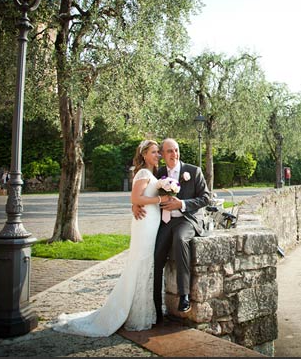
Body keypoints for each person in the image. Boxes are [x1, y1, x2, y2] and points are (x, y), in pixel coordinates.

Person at [51, 139, 162, 336]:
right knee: (140, 264)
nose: (157, 155)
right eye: (154, 152)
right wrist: (161, 199)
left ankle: (144, 312)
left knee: (146, 266)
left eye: (158, 152)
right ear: (144, 154)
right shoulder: (144, 173)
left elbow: (140, 198)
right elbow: (135, 198)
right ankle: (134, 314)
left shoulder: (152, 174)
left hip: (151, 221)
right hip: (144, 223)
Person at [132, 138, 210, 322]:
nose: (173, 154)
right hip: (165, 222)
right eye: (169, 151)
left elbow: (206, 198)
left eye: (176, 150)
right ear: (162, 154)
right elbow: (142, 193)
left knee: (180, 239)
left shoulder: (193, 171)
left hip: (187, 220)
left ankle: (184, 296)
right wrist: (134, 206)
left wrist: (181, 203)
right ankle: (156, 307)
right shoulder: (157, 173)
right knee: (156, 255)